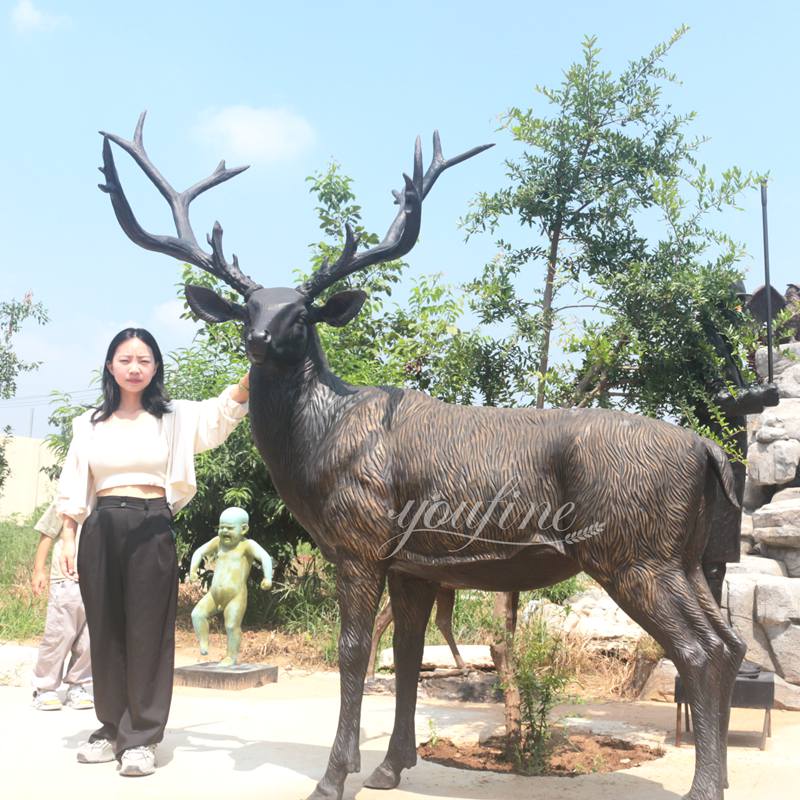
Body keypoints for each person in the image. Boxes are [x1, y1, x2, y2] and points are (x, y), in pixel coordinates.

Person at [56, 327, 249, 777]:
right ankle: (110, 729)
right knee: (105, 633)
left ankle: (141, 738)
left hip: (151, 524)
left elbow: (221, 415)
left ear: (155, 367)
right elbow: (73, 482)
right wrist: (68, 536)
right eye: (125, 359)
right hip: (100, 525)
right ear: (110, 366)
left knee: (147, 633)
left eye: (144, 360)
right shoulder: (88, 423)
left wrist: (248, 380)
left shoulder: (175, 416)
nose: (135, 367)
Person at [189, 506, 273, 666]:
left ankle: (231, 656)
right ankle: (204, 643)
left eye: (229, 528)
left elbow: (265, 557)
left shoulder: (246, 545)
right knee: (197, 615)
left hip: (236, 596)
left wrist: (267, 577)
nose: (224, 531)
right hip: (214, 595)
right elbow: (199, 552)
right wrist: (193, 570)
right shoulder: (218, 542)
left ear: (243, 529)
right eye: (221, 527)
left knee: (231, 626)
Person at [30, 501, 93, 711]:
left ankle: (78, 685)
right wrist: (39, 570)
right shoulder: (66, 499)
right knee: (59, 635)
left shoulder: (106, 499)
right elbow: (47, 534)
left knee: (89, 640)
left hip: (97, 582)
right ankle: (44, 687)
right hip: (66, 579)